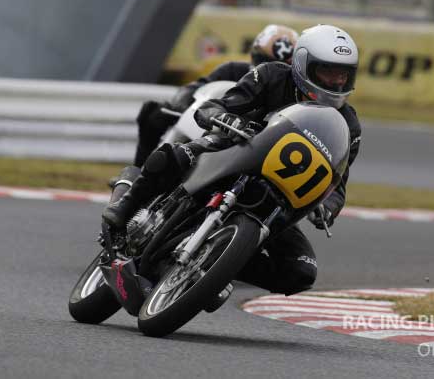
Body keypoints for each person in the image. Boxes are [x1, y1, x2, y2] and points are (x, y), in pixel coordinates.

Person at [103, 24, 362, 296]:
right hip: (233, 151)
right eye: (328, 72)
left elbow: (338, 183)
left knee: (301, 272)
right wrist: (225, 117)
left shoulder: (349, 124)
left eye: (343, 75)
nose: (336, 82)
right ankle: (126, 204)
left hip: (277, 198)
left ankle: (220, 264)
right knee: (175, 154)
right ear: (302, 64)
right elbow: (214, 107)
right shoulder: (271, 75)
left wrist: (327, 207)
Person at [133, 24, 299, 167]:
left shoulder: (289, 91)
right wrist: (180, 105)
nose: (267, 69)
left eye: (279, 65)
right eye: (264, 60)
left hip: (249, 141)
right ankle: (139, 168)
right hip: (210, 124)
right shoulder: (233, 69)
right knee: (153, 113)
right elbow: (195, 87)